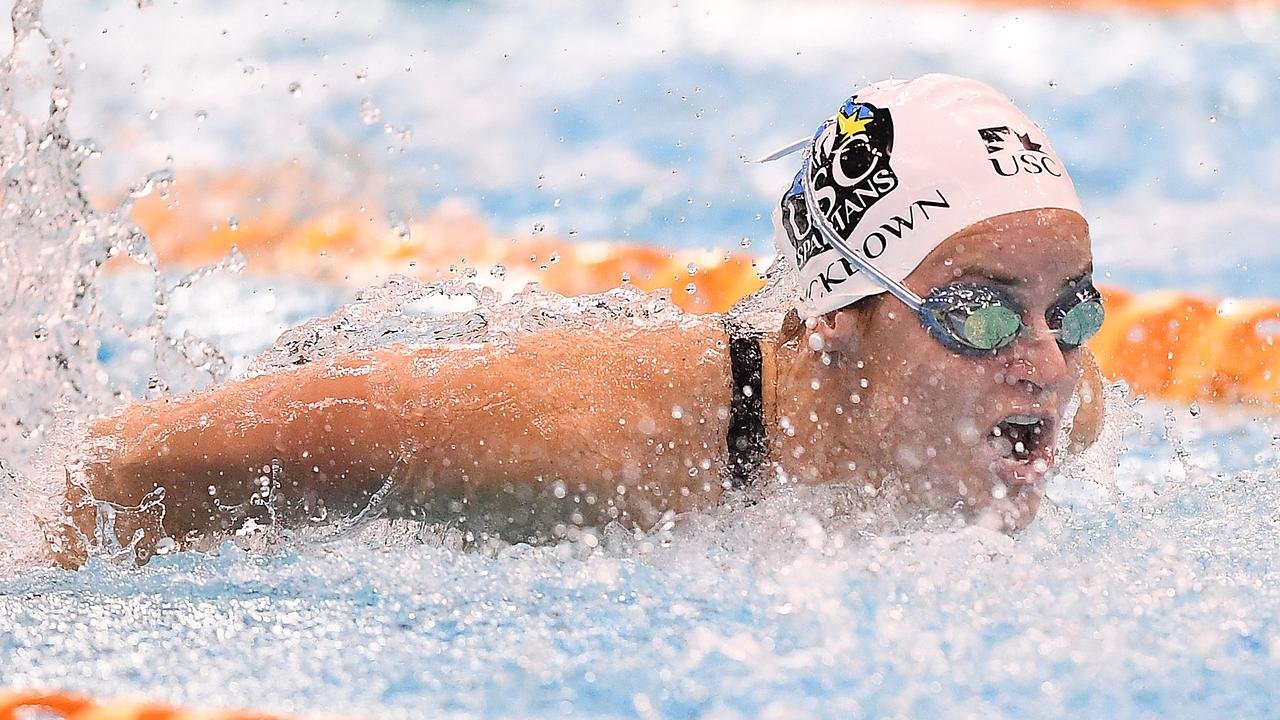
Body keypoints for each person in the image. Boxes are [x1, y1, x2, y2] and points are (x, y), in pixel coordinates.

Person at [45, 74, 1106, 566]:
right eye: (975, 312)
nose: (1044, 367)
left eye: (1071, 308)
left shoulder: (1042, 399)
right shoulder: (586, 437)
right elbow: (131, 460)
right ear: (831, 315)